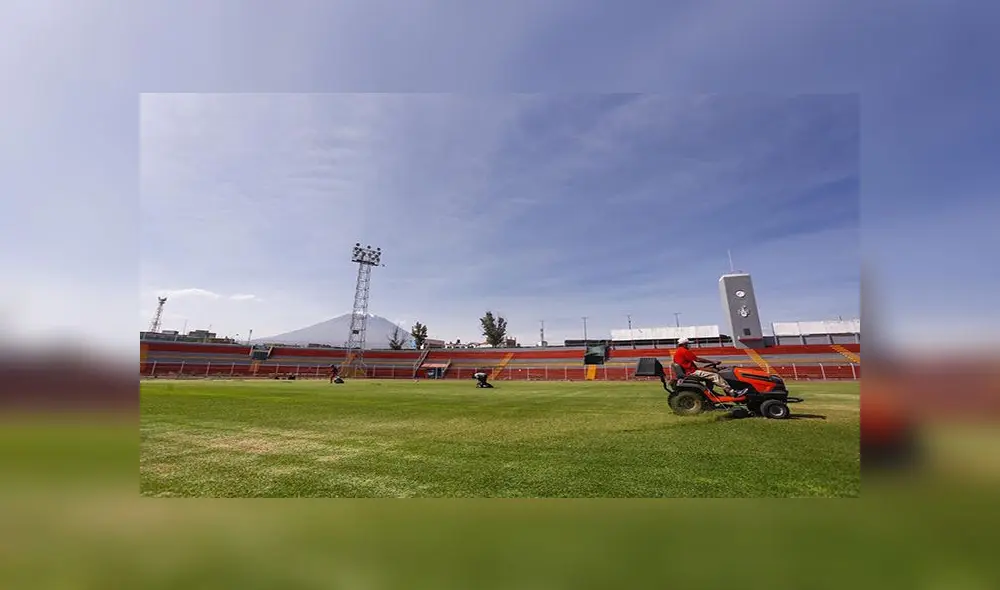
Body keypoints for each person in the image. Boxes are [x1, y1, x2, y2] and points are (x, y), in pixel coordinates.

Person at [672, 338, 746, 396]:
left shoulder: (678, 351)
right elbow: (698, 359)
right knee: (715, 376)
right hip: (690, 372)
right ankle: (733, 392)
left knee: (709, 376)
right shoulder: (684, 351)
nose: (689, 345)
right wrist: (712, 362)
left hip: (689, 371)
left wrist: (709, 368)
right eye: (688, 344)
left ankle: (711, 393)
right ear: (684, 344)